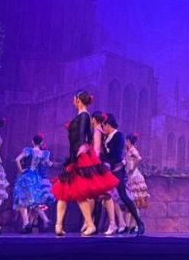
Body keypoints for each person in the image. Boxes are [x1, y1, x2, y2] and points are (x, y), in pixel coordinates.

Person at [51, 91, 119, 236]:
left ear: (78, 100)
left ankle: (89, 224)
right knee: (64, 190)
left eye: (74, 99)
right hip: (74, 156)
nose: (73, 101)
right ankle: (59, 225)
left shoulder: (84, 116)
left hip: (80, 157)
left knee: (79, 191)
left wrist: (79, 151)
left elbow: (82, 135)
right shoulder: (80, 116)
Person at [100, 113, 146, 235]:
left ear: (108, 125)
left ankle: (139, 223)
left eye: (104, 126)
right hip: (108, 171)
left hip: (116, 171)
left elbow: (116, 155)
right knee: (107, 197)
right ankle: (115, 224)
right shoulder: (105, 137)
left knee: (124, 197)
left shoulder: (119, 136)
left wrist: (106, 160)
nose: (103, 129)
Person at [13, 133, 56, 233]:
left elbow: (17, 159)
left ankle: (26, 224)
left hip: (27, 177)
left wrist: (21, 170)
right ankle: (46, 219)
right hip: (37, 179)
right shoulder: (44, 154)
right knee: (34, 201)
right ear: (41, 143)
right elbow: (49, 164)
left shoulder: (28, 151)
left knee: (22, 200)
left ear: (32, 142)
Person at [124, 133, 149, 231]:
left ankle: (136, 225)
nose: (125, 142)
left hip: (134, 177)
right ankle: (131, 225)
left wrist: (133, 168)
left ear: (128, 141)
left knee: (135, 202)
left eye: (126, 141)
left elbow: (139, 158)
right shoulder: (128, 150)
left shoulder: (133, 150)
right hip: (130, 176)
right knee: (133, 202)